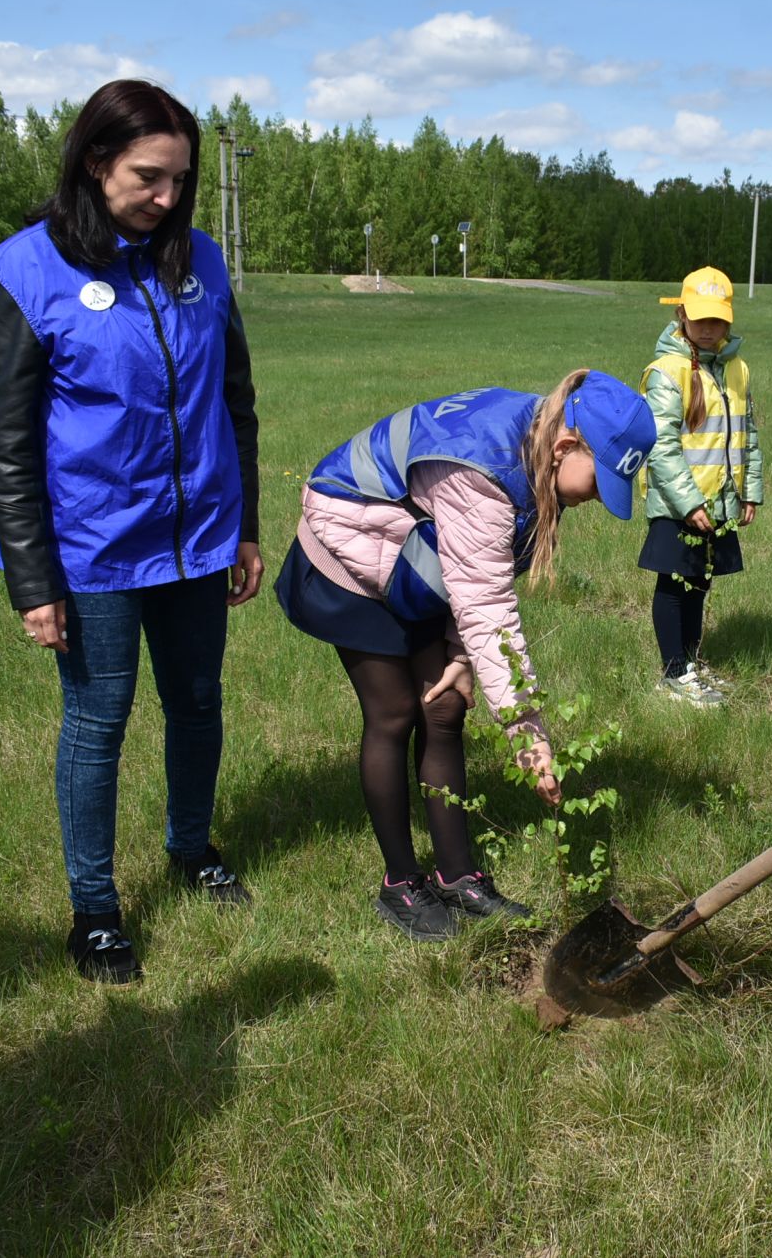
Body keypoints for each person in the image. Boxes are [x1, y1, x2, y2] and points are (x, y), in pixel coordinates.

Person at [0, 80, 263, 985]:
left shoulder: (202, 262)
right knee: (98, 722)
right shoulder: (23, 271)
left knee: (200, 701)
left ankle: (190, 848)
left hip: (196, 538)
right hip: (91, 548)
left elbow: (235, 401)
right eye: (149, 177)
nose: (168, 198)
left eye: (181, 179)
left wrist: (246, 524)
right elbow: (10, 441)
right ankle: (95, 910)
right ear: (96, 163)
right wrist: (33, 580)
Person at [279, 370, 656, 940]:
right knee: (395, 711)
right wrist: (527, 734)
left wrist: (459, 657)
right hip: (349, 546)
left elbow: (473, 572)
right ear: (564, 447)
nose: (599, 498)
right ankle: (400, 884)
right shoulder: (487, 474)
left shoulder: (534, 453)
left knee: (447, 704)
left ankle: (456, 875)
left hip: (414, 551)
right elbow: (486, 606)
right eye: (599, 481)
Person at [640, 266, 763, 707]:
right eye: (701, 319)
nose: (710, 329)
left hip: (719, 504)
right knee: (674, 584)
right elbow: (661, 443)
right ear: (681, 315)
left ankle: (689, 664)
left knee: (700, 582)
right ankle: (673, 673)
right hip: (680, 504)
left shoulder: (737, 369)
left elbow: (748, 434)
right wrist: (688, 502)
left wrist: (749, 489)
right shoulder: (667, 370)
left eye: (719, 320)